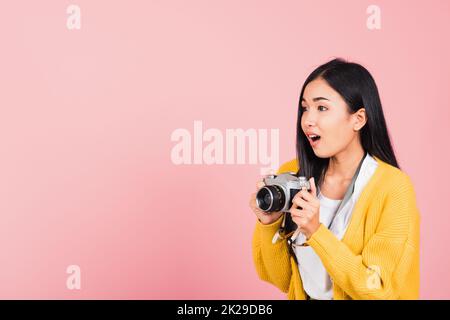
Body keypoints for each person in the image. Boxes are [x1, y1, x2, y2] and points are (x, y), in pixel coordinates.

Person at [250, 58, 420, 300]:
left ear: (358, 119)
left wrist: (316, 232)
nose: (308, 120)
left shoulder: (393, 188)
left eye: (321, 108)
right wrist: (269, 225)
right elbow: (283, 280)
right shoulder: (295, 174)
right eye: (304, 108)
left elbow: (378, 289)